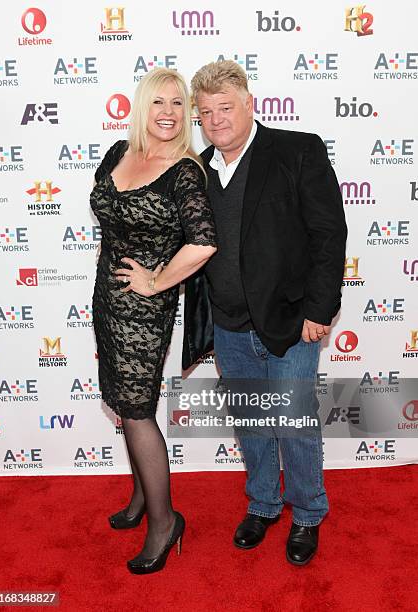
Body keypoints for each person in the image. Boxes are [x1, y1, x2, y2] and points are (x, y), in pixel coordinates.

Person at [183, 60, 347, 565]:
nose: (217, 120)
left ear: (250, 103)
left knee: (295, 423)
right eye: (206, 113)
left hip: (294, 321)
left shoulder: (298, 150)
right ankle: (263, 504)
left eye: (226, 108)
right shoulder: (199, 170)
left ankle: (307, 514)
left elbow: (328, 234)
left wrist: (320, 308)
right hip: (230, 327)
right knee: (251, 423)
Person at [90, 67, 217, 575]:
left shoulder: (184, 170)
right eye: (158, 102)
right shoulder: (118, 155)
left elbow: (204, 241)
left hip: (144, 310)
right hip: (106, 298)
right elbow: (110, 217)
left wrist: (156, 281)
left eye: (177, 104)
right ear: (141, 108)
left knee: (138, 410)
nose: (168, 113)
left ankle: (165, 523)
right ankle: (142, 496)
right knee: (122, 400)